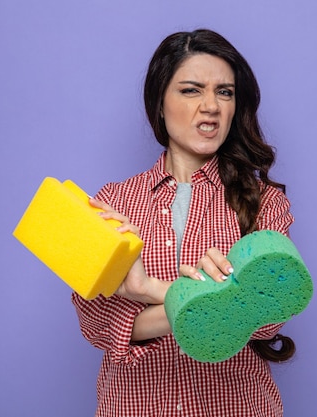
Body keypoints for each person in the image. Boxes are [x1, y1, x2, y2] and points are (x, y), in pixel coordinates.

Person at [72, 28, 297, 417]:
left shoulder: (266, 204)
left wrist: (148, 289)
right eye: (192, 90)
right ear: (159, 103)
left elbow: (266, 317)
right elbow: (97, 323)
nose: (211, 105)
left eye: (224, 92)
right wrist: (222, 299)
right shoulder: (111, 203)